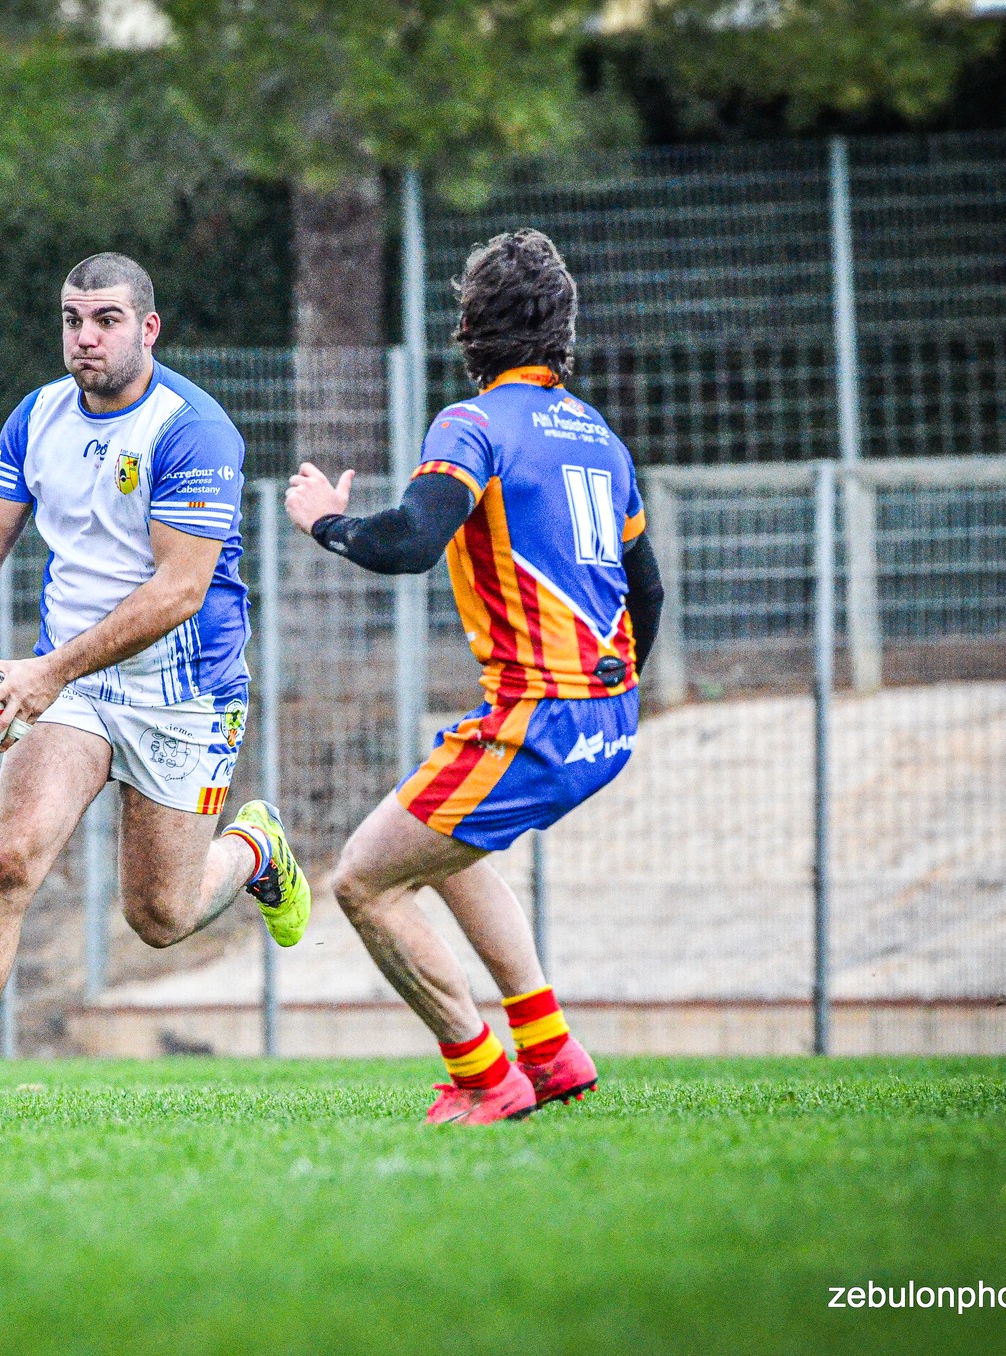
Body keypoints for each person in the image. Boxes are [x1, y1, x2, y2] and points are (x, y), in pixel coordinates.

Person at [0, 253, 310, 1117]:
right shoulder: (37, 416)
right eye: (73, 319)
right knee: (9, 861)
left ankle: (257, 850)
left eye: (106, 320)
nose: (85, 337)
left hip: (184, 691)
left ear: (148, 328)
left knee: (160, 916)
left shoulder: (195, 431)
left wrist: (44, 670)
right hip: (69, 690)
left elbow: (178, 591)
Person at [283, 229, 664, 1125]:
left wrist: (328, 525)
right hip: (607, 717)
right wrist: (609, 689)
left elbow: (412, 541)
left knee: (363, 881)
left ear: (469, 329)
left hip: (543, 717)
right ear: (561, 330)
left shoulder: (475, 423)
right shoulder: (599, 439)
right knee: (448, 843)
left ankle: (487, 1077)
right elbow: (646, 590)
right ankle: (550, 1048)